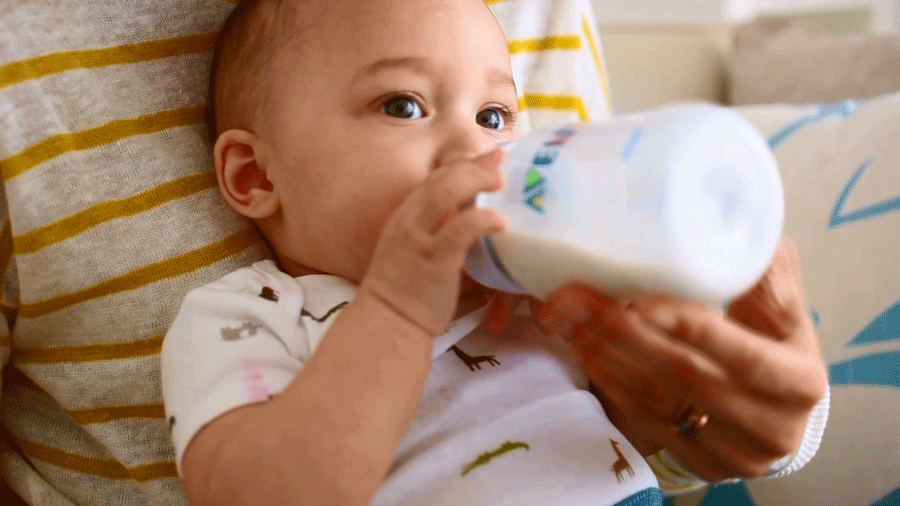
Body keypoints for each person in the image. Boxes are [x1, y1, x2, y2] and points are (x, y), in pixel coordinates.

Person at [161, 0, 830, 505]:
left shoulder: (531, 297)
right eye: (403, 105)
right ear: (257, 176)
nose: (476, 154)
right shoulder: (247, 317)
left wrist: (693, 358)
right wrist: (396, 308)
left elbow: (625, 440)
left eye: (493, 118)